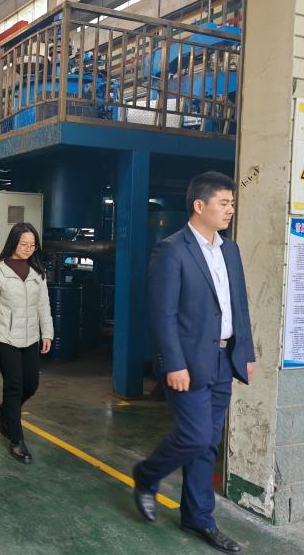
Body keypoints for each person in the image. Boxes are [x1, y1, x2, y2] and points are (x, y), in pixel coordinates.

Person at [132, 171, 254, 554]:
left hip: (225, 359)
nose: (230, 210)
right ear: (199, 205)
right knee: (196, 436)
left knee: (208, 444)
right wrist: (173, 364)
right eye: (224, 203)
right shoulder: (172, 250)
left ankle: (198, 518)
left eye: (232, 203)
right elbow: (163, 314)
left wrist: (246, 353)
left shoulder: (230, 250)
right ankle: (146, 474)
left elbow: (239, 305)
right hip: (188, 362)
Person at [0, 222, 53, 464]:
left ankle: (5, 410)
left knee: (31, 385)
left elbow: (44, 305)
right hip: (6, 337)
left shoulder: (38, 271)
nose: (28, 249)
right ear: (13, 243)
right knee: (14, 386)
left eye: (32, 245)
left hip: (31, 336)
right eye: (24, 244)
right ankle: (16, 439)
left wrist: (47, 333)